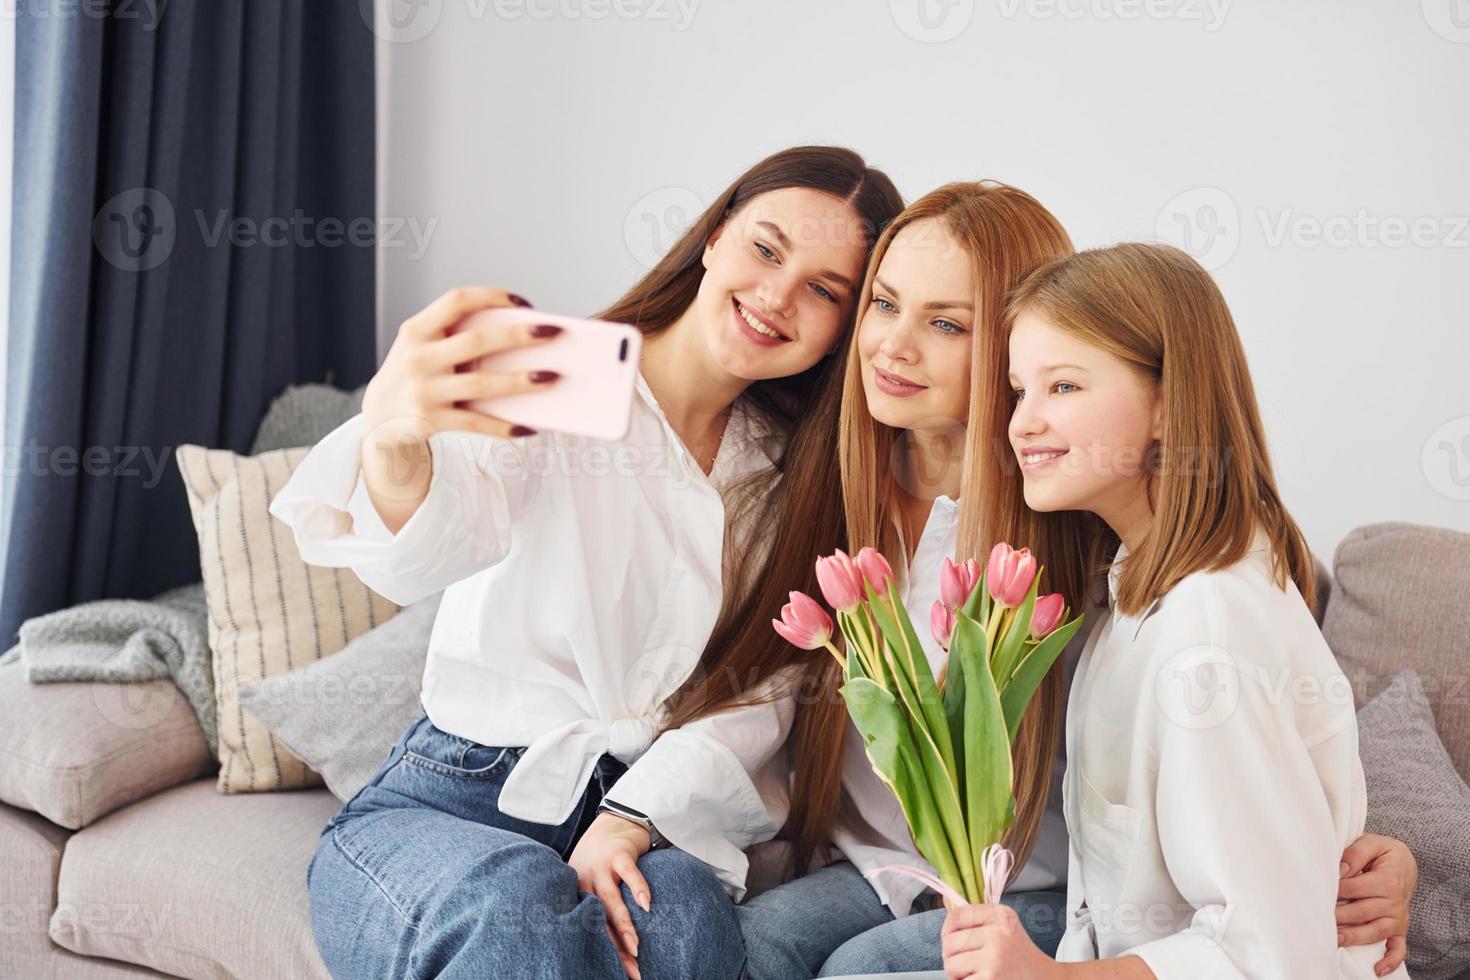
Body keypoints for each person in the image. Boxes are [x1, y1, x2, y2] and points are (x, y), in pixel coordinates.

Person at [268, 145, 903, 979]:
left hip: (640, 809)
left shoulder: (793, 482)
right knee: (510, 906)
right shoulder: (560, 375)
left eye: (825, 290)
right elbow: (435, 535)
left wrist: (635, 816)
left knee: (684, 926)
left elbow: (759, 695)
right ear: (713, 237)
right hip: (458, 796)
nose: (778, 296)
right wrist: (394, 438)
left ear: (844, 330)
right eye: (766, 248)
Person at [938, 242, 1410, 979]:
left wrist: (1048, 977)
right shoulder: (1130, 589)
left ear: (1165, 403)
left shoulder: (1207, 631)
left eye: (1063, 387)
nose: (1021, 423)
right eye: (1018, 391)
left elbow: (1269, 954)